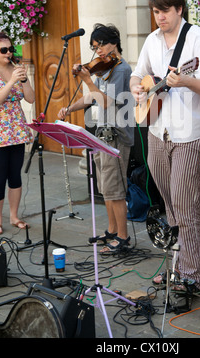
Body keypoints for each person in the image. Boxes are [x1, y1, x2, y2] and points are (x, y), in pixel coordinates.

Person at [130, 0, 200, 293]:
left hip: (189, 133)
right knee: (169, 203)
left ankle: (193, 276)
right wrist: (138, 89)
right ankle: (177, 267)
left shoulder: (199, 39)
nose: (159, 18)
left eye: (165, 11)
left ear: (179, 9)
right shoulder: (152, 41)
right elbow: (136, 75)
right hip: (158, 130)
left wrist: (184, 80)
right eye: (155, 12)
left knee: (185, 204)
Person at [58, 23, 134, 253]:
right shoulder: (103, 69)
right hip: (102, 134)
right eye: (94, 47)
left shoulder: (120, 69)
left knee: (115, 190)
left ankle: (122, 237)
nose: (98, 51)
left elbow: (107, 102)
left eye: (101, 45)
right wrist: (70, 108)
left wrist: (88, 79)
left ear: (114, 42)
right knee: (105, 188)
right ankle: (111, 230)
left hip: (117, 135)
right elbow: (92, 98)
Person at [0, 31, 35, 235]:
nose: (9, 53)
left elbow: (31, 99)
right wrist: (10, 82)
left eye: (10, 49)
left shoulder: (17, 69)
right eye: (4, 50)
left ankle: (14, 216)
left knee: (15, 175)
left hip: (16, 130)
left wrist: (24, 80)